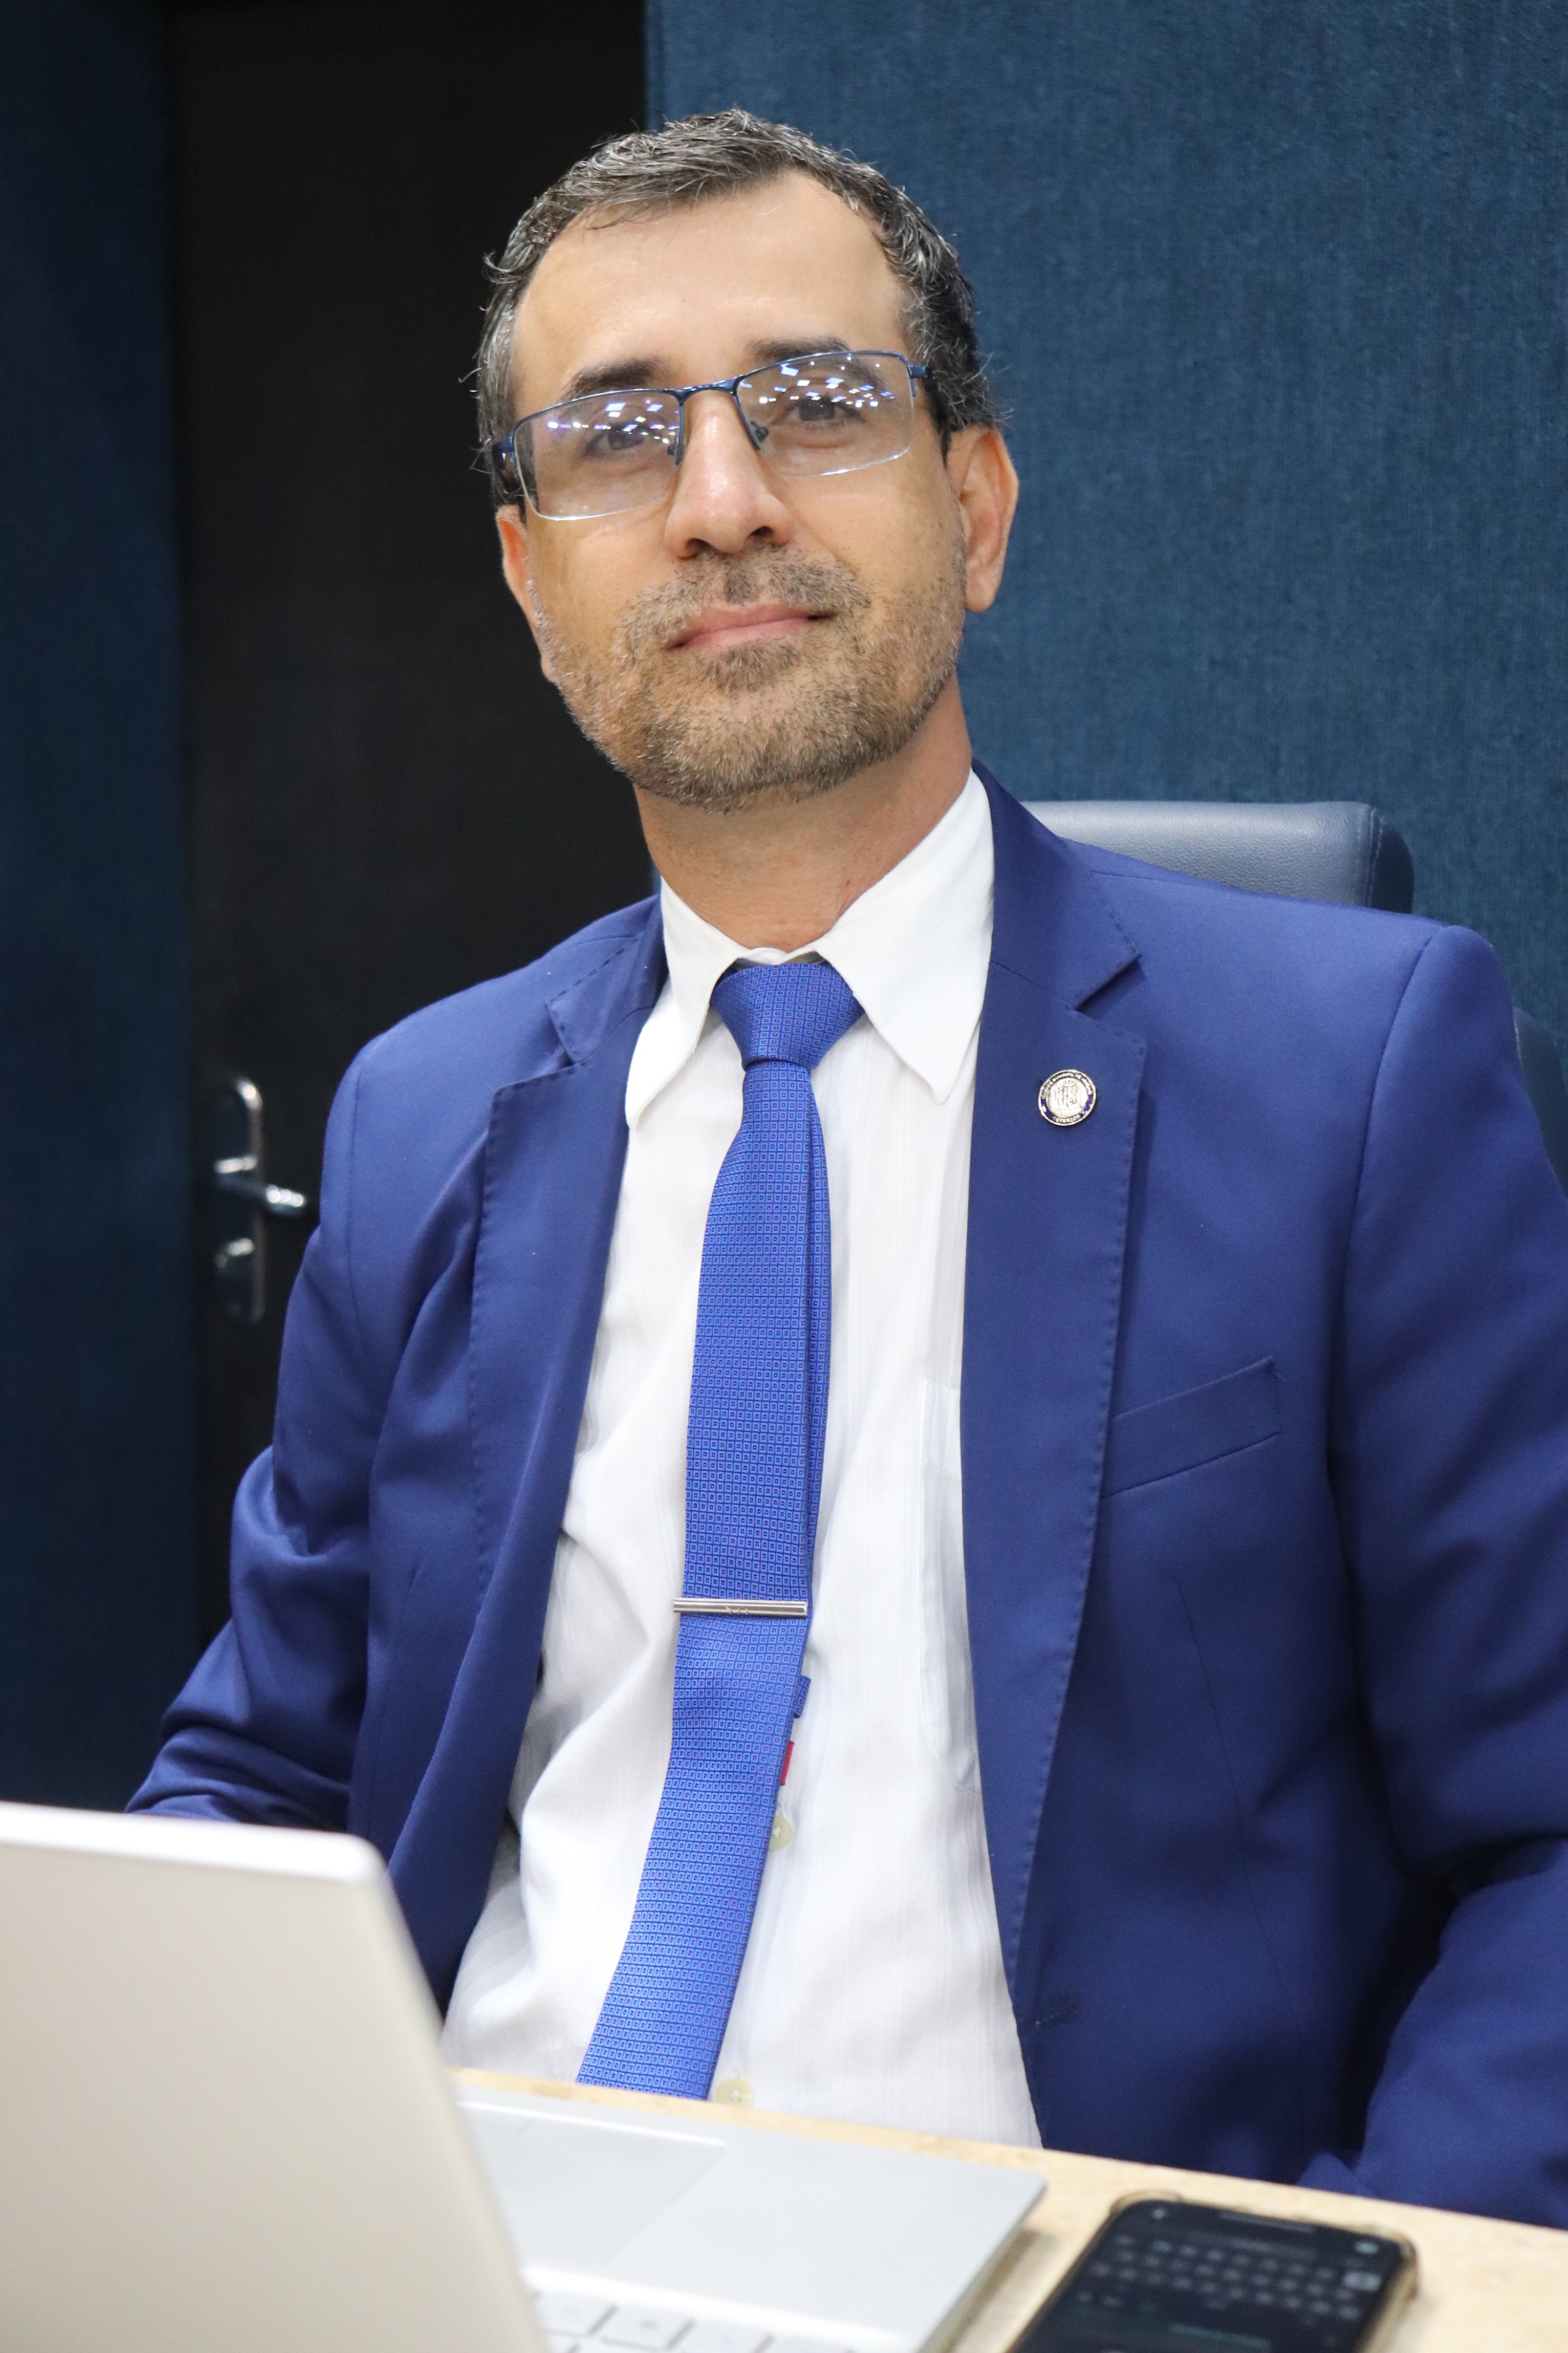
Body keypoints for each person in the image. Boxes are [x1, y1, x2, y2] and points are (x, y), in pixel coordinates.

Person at [133, 111, 1568, 2225]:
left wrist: (1342, 2301)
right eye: (617, 435)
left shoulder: (1353, 1078)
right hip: (471, 2240)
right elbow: (266, 1776)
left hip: (1057, 2279)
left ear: (974, 510)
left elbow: (1547, 1835)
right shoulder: (424, 1114)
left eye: (815, 402)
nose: (721, 501)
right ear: (531, 580)